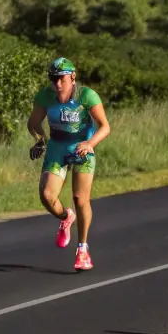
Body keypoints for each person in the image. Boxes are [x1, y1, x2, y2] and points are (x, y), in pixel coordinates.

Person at [26, 57, 110, 271]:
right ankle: (66, 216)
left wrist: (90, 144)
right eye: (53, 79)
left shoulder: (86, 95)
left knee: (80, 198)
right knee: (46, 196)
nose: (57, 84)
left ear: (72, 77)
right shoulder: (45, 96)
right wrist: (40, 140)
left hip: (81, 147)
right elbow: (34, 123)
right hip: (57, 146)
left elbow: (104, 126)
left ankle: (82, 249)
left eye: (61, 79)